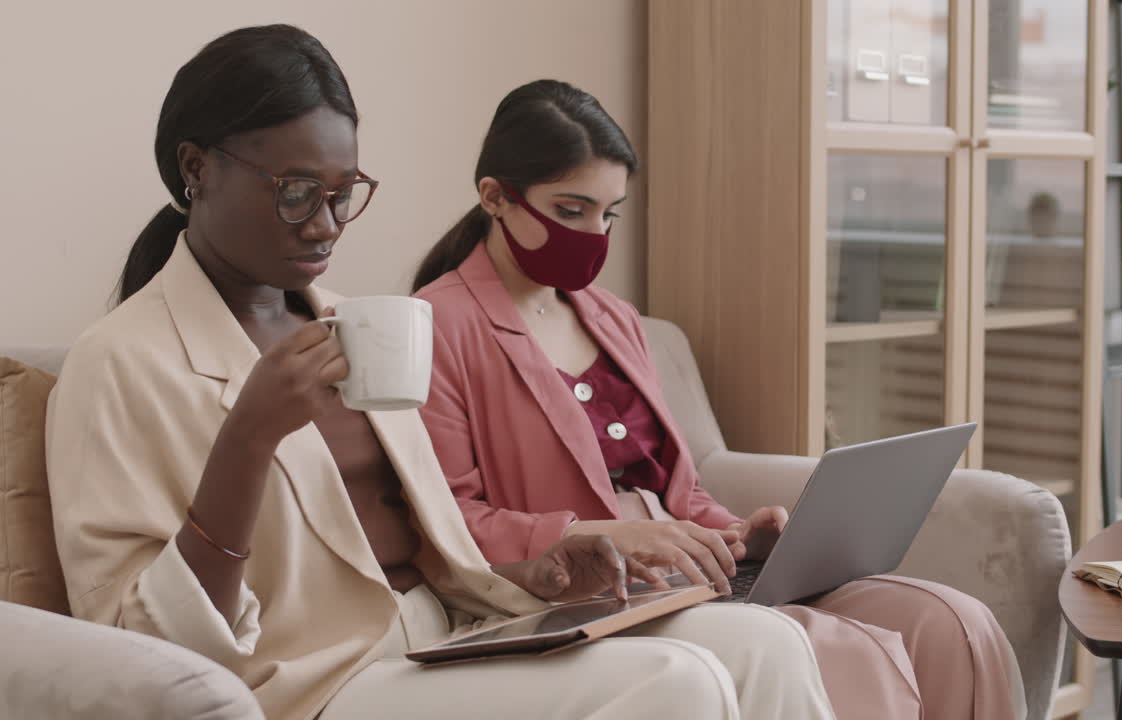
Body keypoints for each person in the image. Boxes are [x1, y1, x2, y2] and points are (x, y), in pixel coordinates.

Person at [44, 26, 836, 720]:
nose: (325, 224)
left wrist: (545, 568)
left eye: (343, 193)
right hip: (311, 684)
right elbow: (130, 651)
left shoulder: (354, 323)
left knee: (764, 643)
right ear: (196, 168)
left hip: (453, 634)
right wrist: (247, 440)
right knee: (677, 682)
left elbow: (435, 542)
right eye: (296, 193)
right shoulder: (117, 364)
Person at [413, 79, 1029, 720]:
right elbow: (447, 522)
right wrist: (609, 535)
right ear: (495, 196)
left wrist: (735, 535)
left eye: (609, 214)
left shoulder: (614, 318)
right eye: (572, 211)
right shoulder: (438, 326)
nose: (595, 233)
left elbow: (677, 492)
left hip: (689, 576)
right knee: (831, 646)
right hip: (588, 595)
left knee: (952, 621)